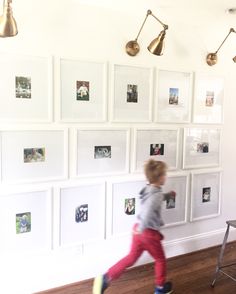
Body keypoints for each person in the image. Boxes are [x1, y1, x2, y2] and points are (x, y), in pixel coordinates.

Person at [93, 160, 175, 294]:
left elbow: (155, 199)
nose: (166, 177)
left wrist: (168, 196)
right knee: (160, 260)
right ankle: (160, 289)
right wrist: (142, 227)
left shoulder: (150, 190)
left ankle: (105, 279)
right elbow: (149, 209)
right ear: (159, 177)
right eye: (164, 174)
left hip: (138, 231)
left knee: (131, 258)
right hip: (148, 232)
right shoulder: (156, 195)